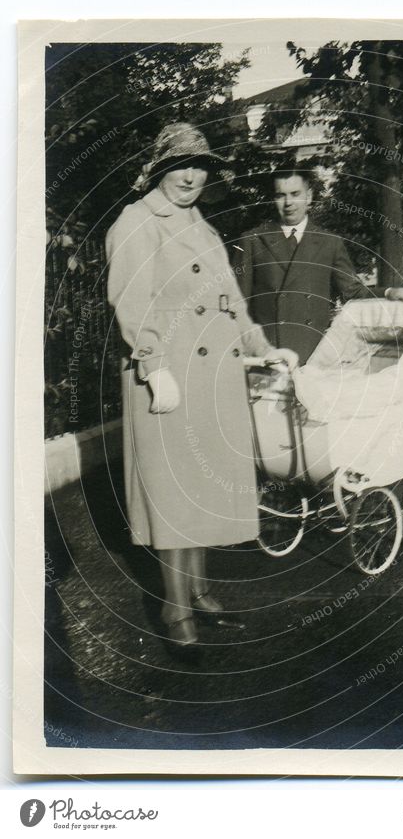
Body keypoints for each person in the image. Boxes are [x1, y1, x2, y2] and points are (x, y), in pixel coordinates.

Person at [106, 123, 297, 652]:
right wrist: (151, 362)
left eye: (199, 167)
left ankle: (198, 591)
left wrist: (261, 345)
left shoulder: (203, 226)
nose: (191, 176)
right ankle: (174, 612)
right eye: (180, 166)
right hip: (167, 379)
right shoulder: (138, 221)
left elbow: (231, 303)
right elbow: (130, 297)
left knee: (201, 493)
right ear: (160, 170)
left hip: (212, 378)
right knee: (175, 495)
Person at [231, 166, 403, 365]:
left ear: (309, 196)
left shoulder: (329, 242)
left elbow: (353, 291)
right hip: (268, 353)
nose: (289, 203)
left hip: (313, 352)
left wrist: (389, 293)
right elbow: (237, 304)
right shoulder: (252, 240)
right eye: (280, 195)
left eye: (295, 194)